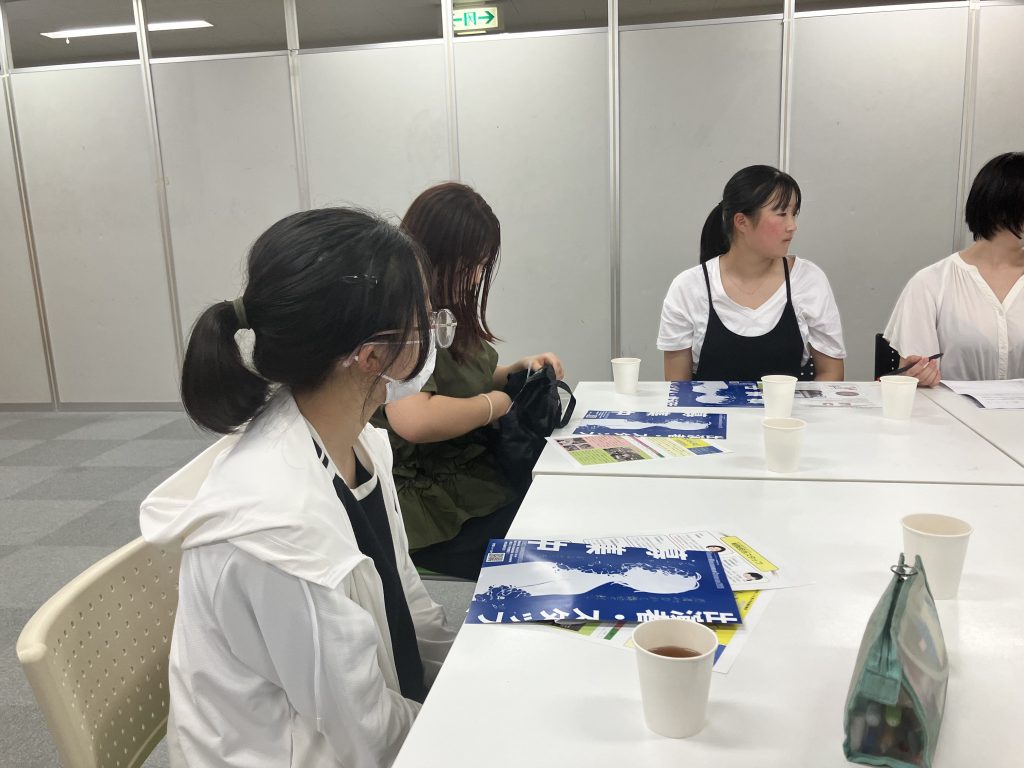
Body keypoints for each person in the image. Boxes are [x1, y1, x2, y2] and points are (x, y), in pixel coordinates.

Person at [139, 208, 456, 768]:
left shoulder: (358, 443)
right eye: (425, 320)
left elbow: (405, 599)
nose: (435, 333)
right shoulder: (280, 531)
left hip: (352, 726)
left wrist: (470, 672)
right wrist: (474, 730)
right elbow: (365, 736)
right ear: (371, 356)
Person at [374, 183, 565, 581]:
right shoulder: (400, 316)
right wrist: (495, 405)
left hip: (464, 476)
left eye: (481, 266)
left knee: (554, 507)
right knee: (543, 543)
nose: (477, 278)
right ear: (433, 256)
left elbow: (458, 379)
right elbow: (414, 418)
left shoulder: (443, 310)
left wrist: (515, 371)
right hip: (424, 505)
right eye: (468, 267)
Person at [658, 165, 846, 381]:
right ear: (741, 222)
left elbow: (831, 373)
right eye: (782, 214)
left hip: (787, 405)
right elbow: (677, 386)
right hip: (710, 405)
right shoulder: (688, 287)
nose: (792, 225)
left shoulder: (809, 280)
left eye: (794, 214)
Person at [884, 151, 1024, 385]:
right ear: (1006, 205)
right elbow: (915, 379)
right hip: (952, 408)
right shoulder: (931, 283)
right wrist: (918, 377)